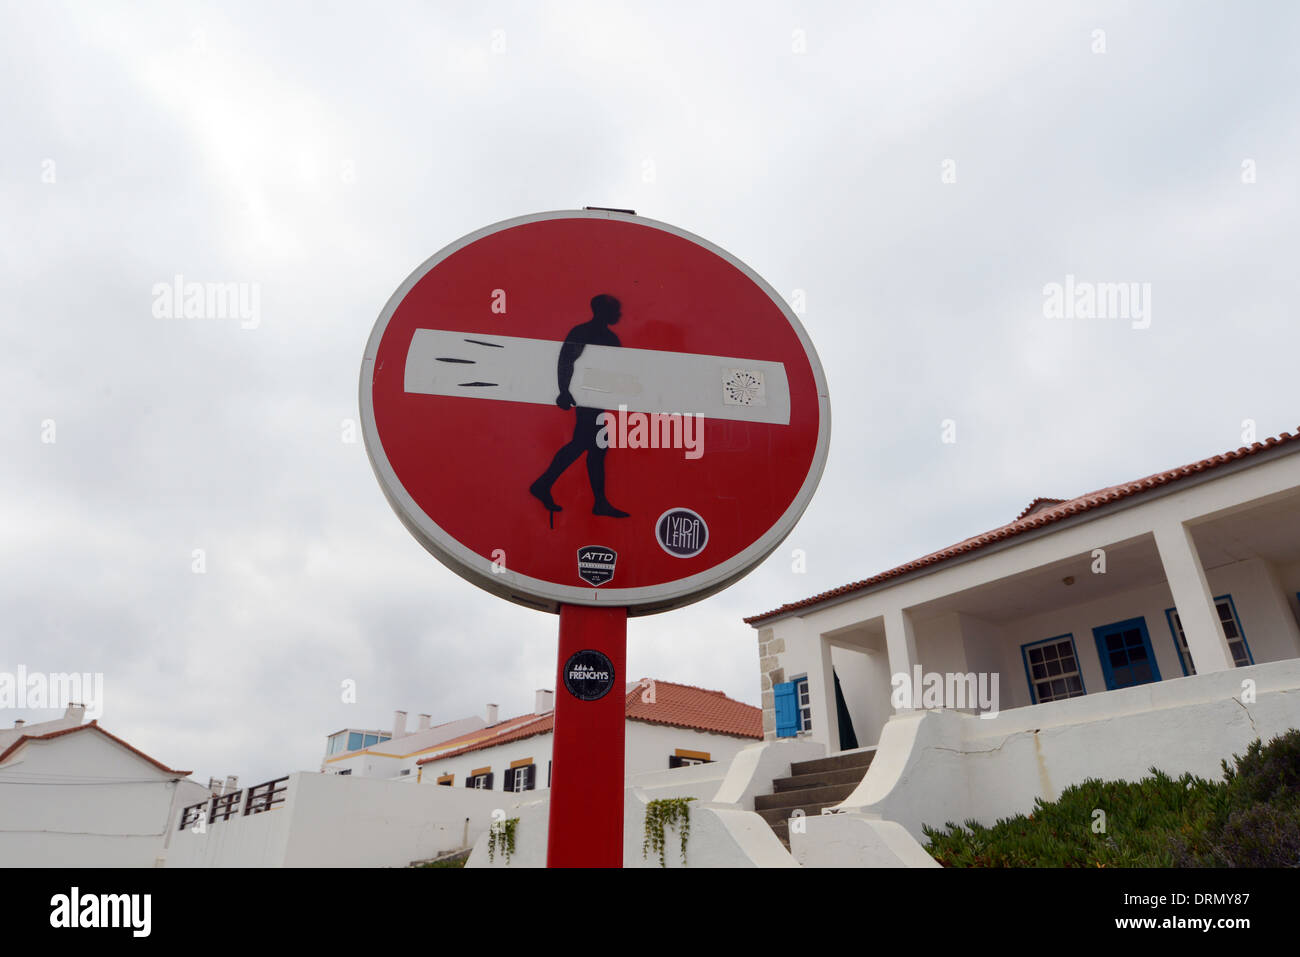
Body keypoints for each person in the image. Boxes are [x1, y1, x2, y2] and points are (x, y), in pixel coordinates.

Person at [529, 294, 630, 518]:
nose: (620, 314)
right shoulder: (584, 332)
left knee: (594, 448)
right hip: (587, 399)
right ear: (604, 311)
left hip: (599, 398)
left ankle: (593, 500)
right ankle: (544, 485)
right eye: (616, 310)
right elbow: (566, 360)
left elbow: (617, 371)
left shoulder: (610, 337)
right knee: (588, 445)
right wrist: (564, 391)